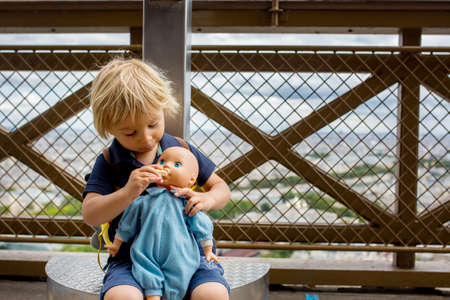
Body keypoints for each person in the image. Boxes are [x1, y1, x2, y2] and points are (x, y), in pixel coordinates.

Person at [82, 58, 231, 300]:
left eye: (153, 124)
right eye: (130, 132)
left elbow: (221, 188)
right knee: (121, 297)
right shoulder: (111, 160)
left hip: (191, 252)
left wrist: (207, 199)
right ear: (109, 127)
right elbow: (91, 213)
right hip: (131, 257)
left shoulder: (181, 149)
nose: (147, 138)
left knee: (212, 293)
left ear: (163, 108)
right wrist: (128, 191)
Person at [105, 146, 219, 300]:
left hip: (180, 254)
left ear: (191, 179)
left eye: (176, 164)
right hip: (145, 252)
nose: (166, 165)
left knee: (179, 275)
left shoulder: (186, 202)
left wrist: (208, 250)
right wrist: (116, 244)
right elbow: (128, 223)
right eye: (162, 161)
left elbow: (202, 226)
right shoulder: (144, 200)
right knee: (147, 274)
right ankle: (153, 294)